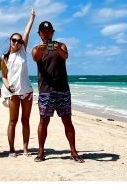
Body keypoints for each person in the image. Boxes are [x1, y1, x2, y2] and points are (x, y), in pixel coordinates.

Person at [31, 20, 83, 162]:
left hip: (62, 90)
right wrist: (43, 48)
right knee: (44, 121)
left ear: (53, 32)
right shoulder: (36, 49)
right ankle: (41, 152)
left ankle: (73, 151)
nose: (46, 35)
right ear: (39, 34)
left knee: (67, 121)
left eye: (49, 32)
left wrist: (57, 48)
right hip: (45, 91)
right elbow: (35, 57)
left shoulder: (61, 45)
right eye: (43, 32)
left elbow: (65, 56)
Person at [1, 8, 36, 156]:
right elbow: (3, 75)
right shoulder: (5, 57)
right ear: (10, 41)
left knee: (25, 120)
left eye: (18, 40)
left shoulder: (23, 51)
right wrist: (8, 86)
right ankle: (11, 149)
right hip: (13, 92)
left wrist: (32, 18)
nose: (16, 42)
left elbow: (26, 32)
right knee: (13, 121)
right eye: (14, 40)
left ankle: (26, 148)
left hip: (26, 90)